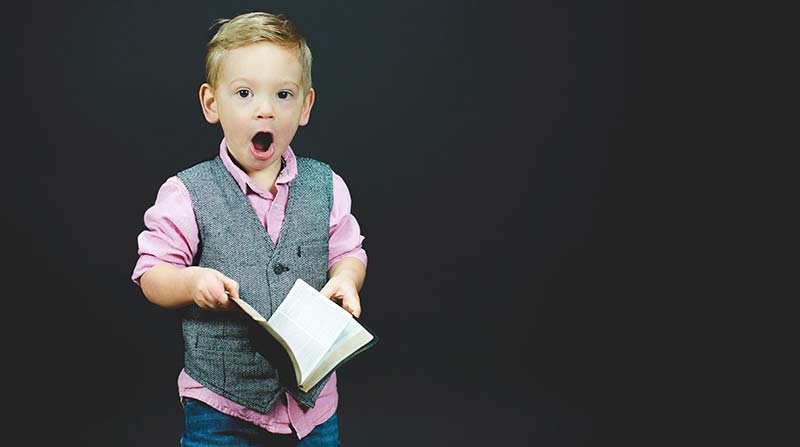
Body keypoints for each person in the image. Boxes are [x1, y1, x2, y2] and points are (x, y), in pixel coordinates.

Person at [131, 12, 367, 446]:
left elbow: (348, 251)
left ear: (305, 106)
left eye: (283, 94)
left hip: (311, 407)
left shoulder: (326, 186)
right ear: (211, 103)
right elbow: (151, 273)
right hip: (221, 404)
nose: (265, 109)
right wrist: (190, 280)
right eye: (244, 93)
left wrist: (346, 280)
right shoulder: (187, 192)